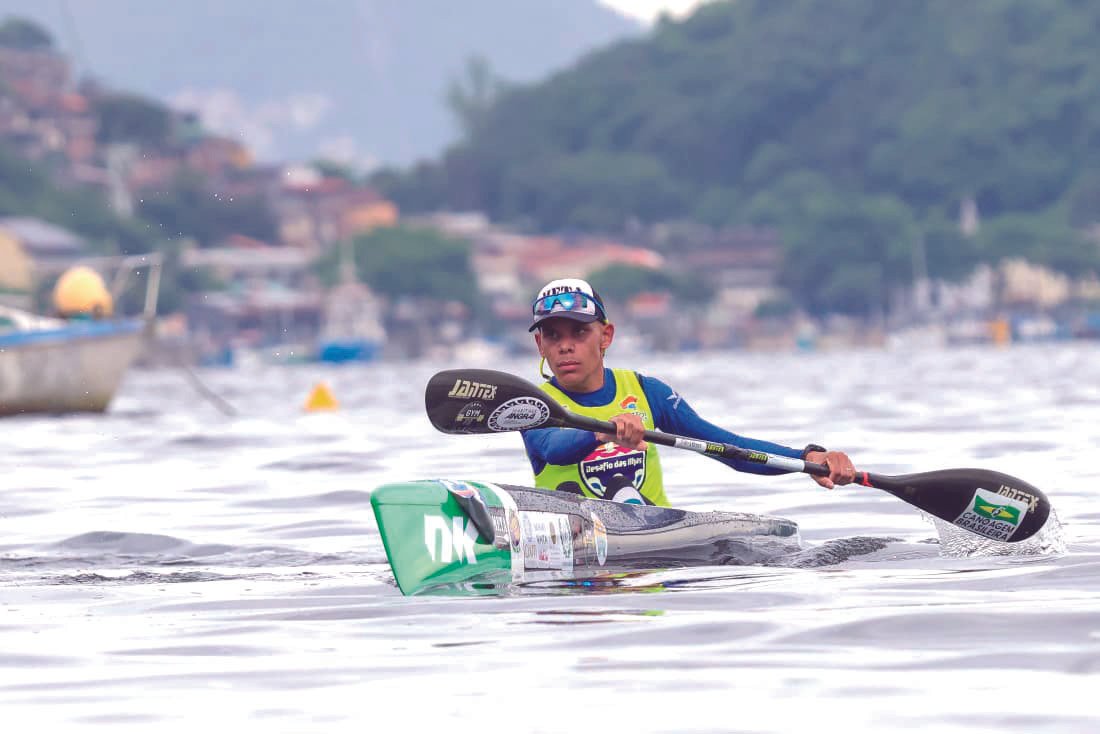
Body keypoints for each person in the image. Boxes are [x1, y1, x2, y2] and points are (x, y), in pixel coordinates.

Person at [521, 277, 856, 506]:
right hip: (573, 560)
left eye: (579, 332)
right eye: (552, 336)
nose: (565, 347)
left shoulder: (647, 392)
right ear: (540, 344)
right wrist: (603, 432)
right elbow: (553, 449)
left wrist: (807, 458)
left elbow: (728, 449)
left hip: (649, 565)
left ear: (605, 336)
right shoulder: (533, 405)